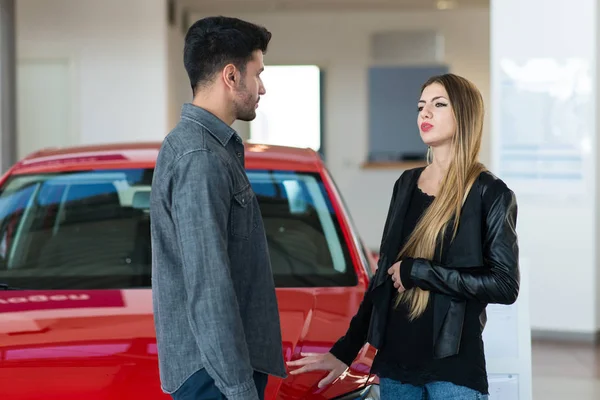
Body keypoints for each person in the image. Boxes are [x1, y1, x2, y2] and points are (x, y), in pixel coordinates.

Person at [287, 73, 519, 400]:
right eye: (421, 106)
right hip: (396, 367)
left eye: (438, 105)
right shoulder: (406, 184)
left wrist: (420, 272)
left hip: (454, 370)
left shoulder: (490, 194)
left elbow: (505, 285)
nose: (424, 114)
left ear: (465, 115)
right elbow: (382, 277)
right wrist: (345, 351)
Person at [150, 16, 286, 400]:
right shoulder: (200, 157)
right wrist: (240, 390)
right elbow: (208, 286)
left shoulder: (203, 148)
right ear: (231, 76)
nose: (262, 87)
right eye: (257, 74)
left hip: (215, 372)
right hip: (216, 377)